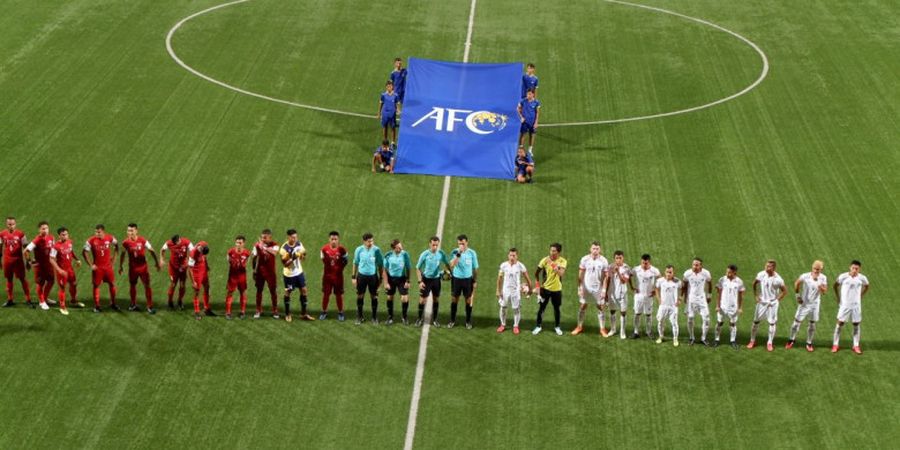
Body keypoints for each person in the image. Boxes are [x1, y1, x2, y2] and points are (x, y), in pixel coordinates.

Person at [118, 223, 161, 314]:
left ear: (136, 231)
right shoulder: (125, 242)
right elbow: (122, 254)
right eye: (128, 230)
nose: (129, 232)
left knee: (147, 286)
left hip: (143, 269)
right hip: (132, 269)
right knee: (132, 285)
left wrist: (157, 263)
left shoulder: (143, 240)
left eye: (131, 230)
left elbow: (151, 250)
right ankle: (133, 304)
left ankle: (149, 306)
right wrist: (120, 266)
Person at [787, 260, 827, 351]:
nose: (816, 271)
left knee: (812, 324)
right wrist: (797, 296)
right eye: (815, 269)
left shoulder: (823, 278)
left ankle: (809, 343)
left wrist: (820, 286)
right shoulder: (805, 276)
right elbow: (796, 283)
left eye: (818, 269)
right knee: (796, 323)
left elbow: (824, 291)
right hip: (804, 303)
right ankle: (791, 339)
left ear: (821, 269)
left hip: (815, 305)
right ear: (812, 268)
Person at [748, 260, 786, 351]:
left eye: (769, 266)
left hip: (772, 304)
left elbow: (784, 291)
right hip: (762, 302)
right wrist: (756, 295)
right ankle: (752, 341)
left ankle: (769, 342)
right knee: (755, 321)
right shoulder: (761, 274)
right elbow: (754, 283)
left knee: (772, 323)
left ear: (774, 268)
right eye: (766, 266)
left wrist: (776, 300)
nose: (766, 268)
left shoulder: (778, 279)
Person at [832, 260, 869, 354]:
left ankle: (856, 345)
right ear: (850, 267)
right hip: (845, 305)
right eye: (853, 268)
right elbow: (835, 286)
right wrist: (838, 297)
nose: (854, 270)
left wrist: (861, 295)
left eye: (857, 268)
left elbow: (867, 286)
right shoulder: (843, 276)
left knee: (856, 324)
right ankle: (835, 344)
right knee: (840, 323)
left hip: (856, 305)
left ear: (859, 269)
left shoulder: (862, 278)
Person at [571, 241, 608, 336]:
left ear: (600, 250)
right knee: (583, 305)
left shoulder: (604, 261)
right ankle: (579, 326)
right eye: (593, 248)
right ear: (590, 249)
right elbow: (580, 275)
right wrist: (579, 288)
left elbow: (605, 277)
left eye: (597, 249)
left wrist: (604, 290)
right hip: (586, 287)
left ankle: (602, 329)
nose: (595, 251)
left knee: (600, 307)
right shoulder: (584, 259)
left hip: (598, 288)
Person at [82, 224, 119, 312]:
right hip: (98, 268)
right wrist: (91, 265)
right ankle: (97, 306)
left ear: (103, 232)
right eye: (96, 232)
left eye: (99, 232)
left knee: (112, 284)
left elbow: (117, 246)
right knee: (96, 286)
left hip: (108, 267)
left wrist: (114, 259)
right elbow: (84, 252)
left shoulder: (110, 238)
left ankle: (113, 303)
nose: (97, 234)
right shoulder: (90, 241)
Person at [279, 229, 313, 322]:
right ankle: (287, 314)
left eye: (296, 237)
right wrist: (295, 256)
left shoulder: (299, 244)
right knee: (288, 292)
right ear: (288, 237)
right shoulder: (283, 249)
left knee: (304, 290)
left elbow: (303, 255)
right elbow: (285, 264)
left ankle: (304, 314)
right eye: (293, 237)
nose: (295, 239)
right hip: (289, 275)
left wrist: (302, 256)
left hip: (299, 272)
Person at [415, 236, 450, 327]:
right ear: (429, 244)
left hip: (436, 280)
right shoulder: (424, 254)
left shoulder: (441, 253)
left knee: (436, 299)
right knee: (422, 300)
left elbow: (447, 264)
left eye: (436, 245)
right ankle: (419, 319)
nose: (435, 247)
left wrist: (447, 272)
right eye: (433, 245)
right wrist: (420, 281)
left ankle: (435, 320)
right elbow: (418, 268)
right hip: (426, 280)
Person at [533, 243, 567, 336]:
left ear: (558, 252)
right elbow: (536, 274)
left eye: (554, 251)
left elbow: (561, 274)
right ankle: (538, 326)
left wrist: (552, 264)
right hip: (545, 289)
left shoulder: (562, 261)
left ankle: (557, 327)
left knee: (557, 309)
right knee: (542, 308)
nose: (551, 252)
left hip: (557, 290)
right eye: (551, 250)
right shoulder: (544, 260)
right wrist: (537, 286)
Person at [496, 248, 532, 334]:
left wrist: (530, 289)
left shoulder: (521, 266)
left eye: (514, 255)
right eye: (510, 255)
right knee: (503, 307)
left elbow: (528, 279)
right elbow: (499, 278)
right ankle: (502, 324)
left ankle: (515, 326)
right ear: (508, 256)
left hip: (515, 291)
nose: (512, 257)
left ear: (517, 256)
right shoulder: (503, 265)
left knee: (516, 309)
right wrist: (498, 290)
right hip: (505, 290)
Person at [48, 227, 83, 314]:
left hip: (70, 269)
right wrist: (59, 270)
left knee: (74, 284)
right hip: (62, 271)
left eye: (66, 234)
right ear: (59, 235)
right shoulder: (55, 246)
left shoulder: (69, 242)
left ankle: (73, 301)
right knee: (63, 288)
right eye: (63, 235)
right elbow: (51, 259)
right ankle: (62, 307)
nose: (65, 236)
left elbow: (71, 252)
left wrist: (77, 259)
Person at [448, 234, 479, 329]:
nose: (461, 245)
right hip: (456, 279)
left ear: (467, 242)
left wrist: (474, 280)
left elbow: (475, 268)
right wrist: (459, 253)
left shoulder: (472, 253)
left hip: (468, 280)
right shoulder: (455, 252)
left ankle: (468, 321)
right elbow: (452, 265)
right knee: (454, 300)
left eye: (463, 243)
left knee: (468, 300)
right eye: (459, 243)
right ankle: (452, 320)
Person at [352, 232, 383, 325]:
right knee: (360, 295)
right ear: (364, 241)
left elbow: (380, 265)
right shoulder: (359, 250)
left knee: (374, 296)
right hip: (361, 276)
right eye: (369, 241)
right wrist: (353, 277)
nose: (371, 243)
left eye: (372, 241)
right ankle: (359, 317)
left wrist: (381, 278)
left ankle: (374, 317)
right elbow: (355, 263)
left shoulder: (376, 250)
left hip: (373, 277)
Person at [23, 221, 56, 310]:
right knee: (40, 283)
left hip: (49, 264)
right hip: (40, 266)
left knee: (51, 281)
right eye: (43, 228)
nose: (45, 230)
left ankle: (45, 298)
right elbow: (26, 251)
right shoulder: (37, 240)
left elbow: (53, 249)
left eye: (46, 228)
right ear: (39, 230)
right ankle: (41, 302)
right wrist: (29, 261)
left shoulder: (51, 238)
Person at [1, 217, 33, 307]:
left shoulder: (21, 234)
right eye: (9, 224)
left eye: (13, 224)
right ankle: (10, 299)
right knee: (9, 279)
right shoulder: (2, 234)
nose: (11, 226)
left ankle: (28, 299)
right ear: (6, 224)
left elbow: (26, 248)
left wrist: (28, 261)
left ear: (16, 224)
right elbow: (0, 247)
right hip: (7, 260)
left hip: (18, 261)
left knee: (22, 279)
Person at [682, 257, 713, 346]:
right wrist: (685, 297)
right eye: (693, 264)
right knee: (690, 318)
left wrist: (709, 295)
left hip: (702, 299)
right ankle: (691, 337)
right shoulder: (687, 273)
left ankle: (704, 338)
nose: (694, 266)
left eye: (697, 265)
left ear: (700, 266)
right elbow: (684, 284)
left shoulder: (706, 273)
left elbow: (710, 283)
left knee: (706, 318)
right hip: (691, 299)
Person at [714, 264, 745, 349]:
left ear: (735, 272)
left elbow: (741, 295)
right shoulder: (722, 280)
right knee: (719, 323)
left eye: (730, 272)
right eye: (727, 271)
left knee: (732, 324)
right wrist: (717, 305)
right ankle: (716, 340)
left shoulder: (739, 282)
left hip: (733, 308)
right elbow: (718, 293)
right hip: (723, 307)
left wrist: (740, 308)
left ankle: (732, 340)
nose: (727, 273)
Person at [320, 231, 348, 321]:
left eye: (335, 239)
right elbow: (323, 260)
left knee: (339, 295)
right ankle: (324, 311)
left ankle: (340, 312)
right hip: (327, 277)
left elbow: (345, 261)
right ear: (329, 239)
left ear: (338, 239)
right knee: (326, 295)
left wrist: (339, 269)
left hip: (338, 277)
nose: (334, 241)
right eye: (332, 239)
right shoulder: (324, 249)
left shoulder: (342, 250)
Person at [382, 239, 412, 325]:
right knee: (390, 297)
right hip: (391, 279)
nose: (401, 248)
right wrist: (386, 283)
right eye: (399, 247)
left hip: (402, 279)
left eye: (401, 246)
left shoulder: (405, 254)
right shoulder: (388, 256)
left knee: (404, 298)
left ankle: (404, 317)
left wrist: (408, 281)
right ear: (394, 248)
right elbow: (384, 270)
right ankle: (390, 317)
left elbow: (408, 268)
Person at [252, 229, 280, 319]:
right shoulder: (256, 246)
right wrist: (254, 270)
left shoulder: (275, 245)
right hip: (260, 272)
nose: (263, 239)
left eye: (265, 237)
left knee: (273, 291)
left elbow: (274, 253)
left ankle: (275, 310)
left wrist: (263, 247)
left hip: (271, 273)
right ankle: (258, 310)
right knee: (259, 290)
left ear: (270, 237)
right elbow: (255, 258)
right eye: (262, 237)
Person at [603, 250, 631, 339]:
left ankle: (622, 332)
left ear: (623, 258)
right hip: (612, 293)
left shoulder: (626, 268)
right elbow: (607, 280)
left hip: (622, 294)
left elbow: (624, 281)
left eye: (620, 258)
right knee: (612, 311)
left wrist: (618, 272)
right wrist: (606, 293)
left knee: (623, 312)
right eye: (616, 258)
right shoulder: (610, 267)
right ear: (614, 258)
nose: (618, 260)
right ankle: (613, 329)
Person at [631, 254, 660, 339]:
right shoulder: (636, 269)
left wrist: (655, 290)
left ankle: (649, 332)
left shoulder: (654, 270)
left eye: (646, 263)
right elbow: (629, 275)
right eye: (643, 263)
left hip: (649, 296)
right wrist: (632, 286)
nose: (644, 265)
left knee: (648, 315)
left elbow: (660, 279)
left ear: (649, 262)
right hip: (638, 296)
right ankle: (636, 332)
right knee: (637, 313)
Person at [161, 235, 193, 310]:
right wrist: (161, 259)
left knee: (182, 285)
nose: (174, 244)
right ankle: (170, 301)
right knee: (173, 284)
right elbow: (162, 249)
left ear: (179, 240)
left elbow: (193, 250)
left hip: (183, 268)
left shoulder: (186, 242)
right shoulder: (169, 243)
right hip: (173, 268)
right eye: (174, 243)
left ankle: (180, 301)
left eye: (176, 243)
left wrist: (189, 260)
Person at [225, 235, 251, 320]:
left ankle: (242, 311)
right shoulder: (230, 252)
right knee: (230, 292)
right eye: (236, 242)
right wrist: (233, 263)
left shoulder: (247, 253)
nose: (238, 244)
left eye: (240, 243)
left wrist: (242, 264)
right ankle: (228, 312)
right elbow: (228, 259)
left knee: (243, 292)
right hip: (232, 276)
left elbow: (246, 262)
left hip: (242, 276)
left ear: (243, 243)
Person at [655, 265, 682, 346]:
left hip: (673, 307)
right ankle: (661, 336)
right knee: (660, 322)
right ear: (665, 272)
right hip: (663, 306)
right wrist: (658, 299)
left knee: (674, 323)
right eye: (667, 272)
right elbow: (656, 288)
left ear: (673, 273)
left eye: (670, 272)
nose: (668, 274)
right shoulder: (660, 281)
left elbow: (683, 288)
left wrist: (680, 299)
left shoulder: (677, 281)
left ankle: (675, 339)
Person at [188, 241, 212, 320]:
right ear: (201, 249)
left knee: (207, 287)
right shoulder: (193, 254)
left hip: (203, 271)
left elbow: (204, 257)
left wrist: (207, 265)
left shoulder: (203, 243)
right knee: (197, 292)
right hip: (197, 274)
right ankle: (197, 312)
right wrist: (193, 282)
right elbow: (189, 269)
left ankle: (206, 308)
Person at [517, 89, 541, 155]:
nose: (528, 95)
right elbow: (518, 109)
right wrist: (521, 117)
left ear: (533, 94)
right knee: (523, 135)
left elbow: (537, 113)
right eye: (527, 94)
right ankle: (520, 150)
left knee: (532, 135)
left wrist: (536, 122)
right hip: (525, 122)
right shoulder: (523, 101)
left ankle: (530, 150)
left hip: (532, 122)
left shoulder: (536, 102)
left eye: (530, 94)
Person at [377, 81, 399, 145]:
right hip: (385, 114)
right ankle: (385, 141)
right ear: (386, 87)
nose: (389, 87)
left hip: (392, 114)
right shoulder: (383, 95)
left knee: (393, 128)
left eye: (390, 86)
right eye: (388, 86)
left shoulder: (395, 95)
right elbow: (381, 104)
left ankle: (393, 142)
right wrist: (379, 113)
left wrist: (398, 110)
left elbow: (397, 104)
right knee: (385, 127)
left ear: (392, 87)